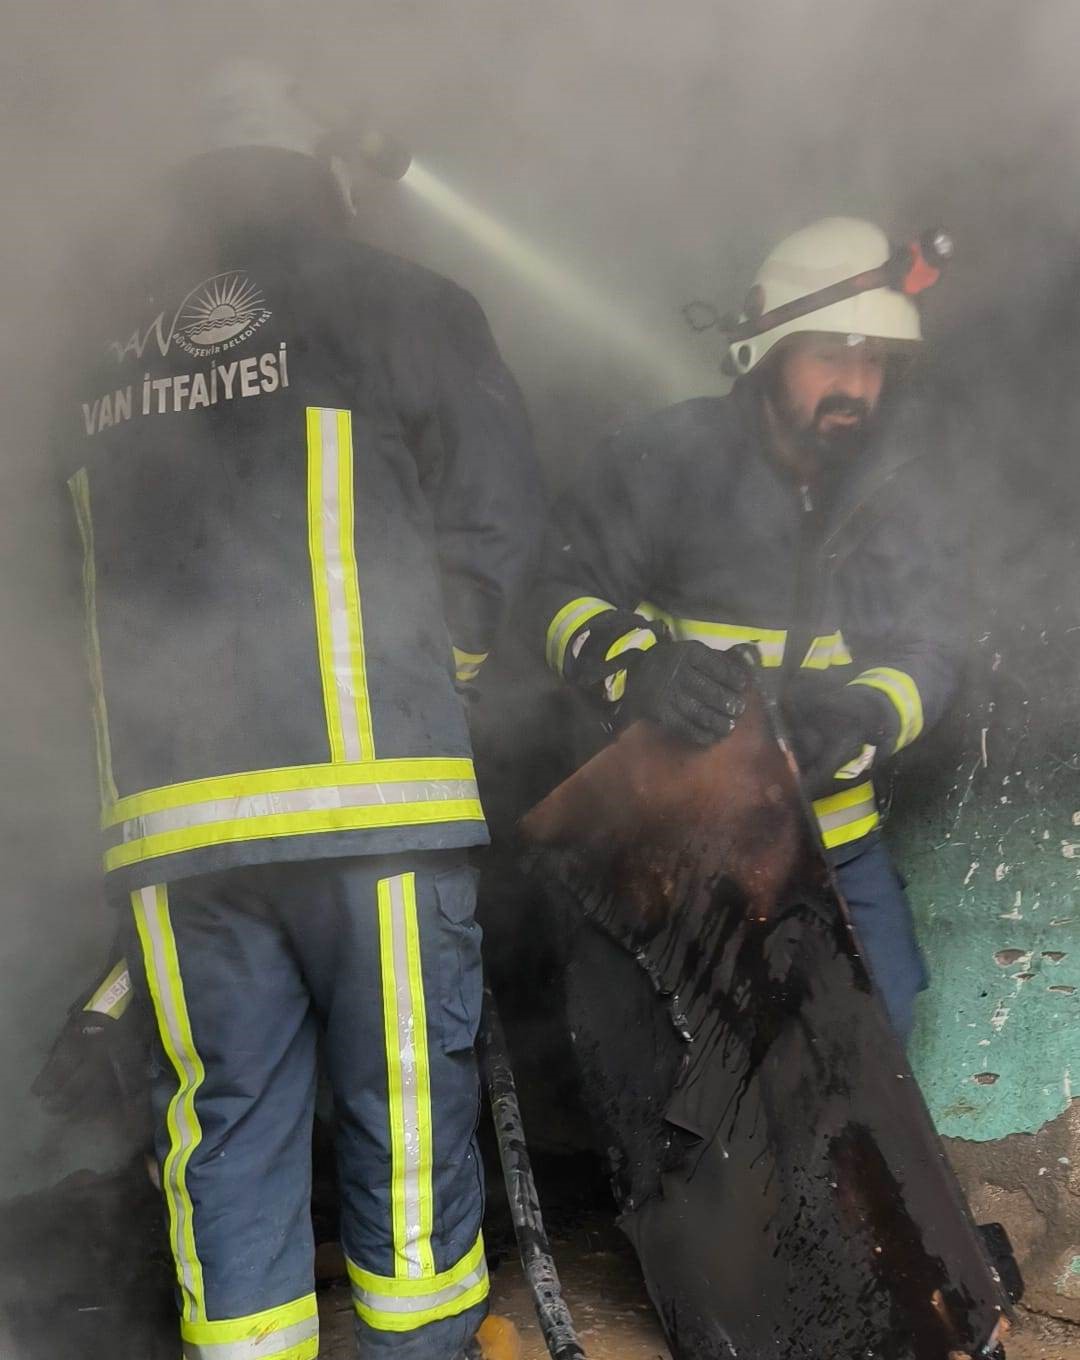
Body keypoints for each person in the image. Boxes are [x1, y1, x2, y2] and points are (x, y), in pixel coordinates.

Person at [57, 59, 541, 1360]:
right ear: (325, 180)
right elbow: (495, 520)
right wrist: (442, 677)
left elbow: (60, 573)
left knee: (224, 1127)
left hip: (176, 829)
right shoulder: (406, 302)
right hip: (371, 808)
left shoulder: (95, 354)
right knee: (404, 1127)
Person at [531, 216, 965, 1044]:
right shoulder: (665, 460)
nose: (857, 384)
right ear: (765, 351)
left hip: (835, 844)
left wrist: (870, 713)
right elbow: (555, 594)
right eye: (832, 355)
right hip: (674, 840)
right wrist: (637, 668)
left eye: (876, 361)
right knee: (676, 1060)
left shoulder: (895, 490)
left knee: (883, 1028)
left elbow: (933, 645)